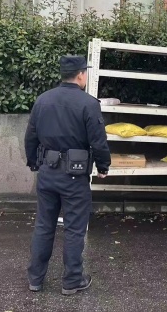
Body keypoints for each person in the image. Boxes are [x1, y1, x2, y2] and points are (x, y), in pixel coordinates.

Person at [24, 55, 111, 295]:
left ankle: (35, 279)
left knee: (44, 225)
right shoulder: (88, 104)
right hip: (75, 176)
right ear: (81, 75)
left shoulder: (43, 100)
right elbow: (98, 141)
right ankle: (72, 280)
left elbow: (31, 136)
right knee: (74, 229)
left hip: (47, 172)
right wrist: (103, 166)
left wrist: (34, 162)